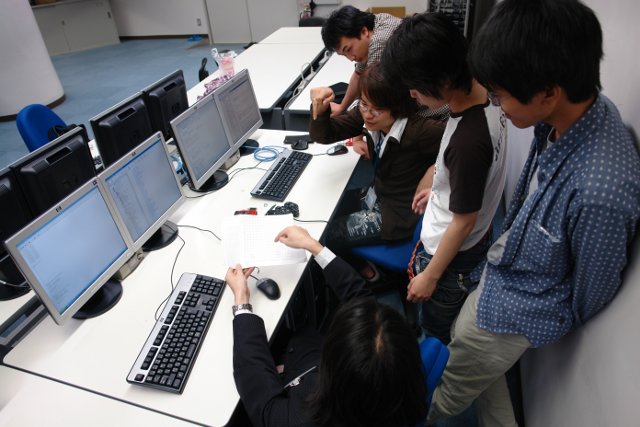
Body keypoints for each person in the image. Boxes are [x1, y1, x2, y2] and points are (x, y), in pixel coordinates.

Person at [425, 0, 640, 426]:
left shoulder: (602, 192)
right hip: (498, 278)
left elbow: (590, 294)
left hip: (514, 315)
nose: (497, 105)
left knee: (449, 388)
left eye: (501, 95)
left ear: (547, 93)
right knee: (477, 370)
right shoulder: (572, 116)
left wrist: (534, 313)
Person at [380, 12, 508, 344]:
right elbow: (470, 180)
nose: (412, 95)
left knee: (434, 327)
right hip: (470, 236)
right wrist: (441, 188)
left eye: (415, 86)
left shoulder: (468, 143)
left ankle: (431, 353)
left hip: (450, 261)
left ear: (443, 79)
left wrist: (430, 277)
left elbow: (464, 222)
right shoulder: (486, 92)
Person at [226, 225, 428, 427]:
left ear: (332, 367)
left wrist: (241, 303)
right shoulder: (398, 375)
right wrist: (314, 247)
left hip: (297, 372)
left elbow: (262, 397)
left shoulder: (302, 418)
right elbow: (362, 300)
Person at [310, 63, 445, 253]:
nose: (367, 115)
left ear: (397, 107)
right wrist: (320, 109)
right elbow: (324, 135)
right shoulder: (367, 113)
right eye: (364, 104)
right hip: (377, 196)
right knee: (323, 213)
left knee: (324, 234)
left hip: (395, 215)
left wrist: (435, 170)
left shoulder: (420, 132)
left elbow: (463, 145)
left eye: (377, 110)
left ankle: (360, 269)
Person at [321, 5, 448, 119]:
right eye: (344, 55)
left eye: (348, 49)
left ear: (364, 31)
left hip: (433, 111)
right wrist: (342, 107)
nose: (350, 58)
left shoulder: (379, 42)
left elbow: (371, 96)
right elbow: (358, 74)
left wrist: (353, 129)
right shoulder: (377, 21)